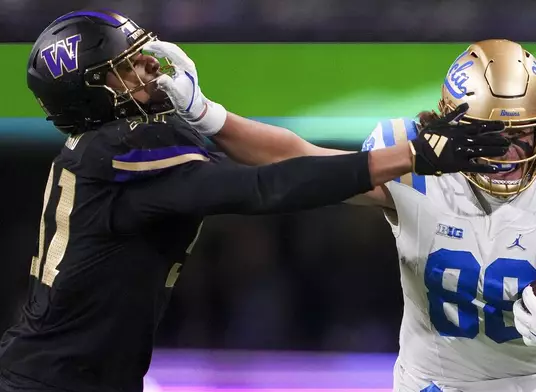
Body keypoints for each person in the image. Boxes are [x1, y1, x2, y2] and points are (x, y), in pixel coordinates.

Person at [0, 10, 509, 392]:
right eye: (125, 69)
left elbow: (279, 160)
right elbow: (266, 187)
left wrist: (202, 111)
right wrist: (412, 156)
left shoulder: (102, 148)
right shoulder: (126, 148)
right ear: (91, 92)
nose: (146, 73)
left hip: (63, 373)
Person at [151, 38, 536, 391]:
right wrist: (206, 113)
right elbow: (296, 160)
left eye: (525, 134)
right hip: (431, 383)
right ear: (452, 123)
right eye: (490, 136)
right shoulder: (413, 161)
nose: (510, 152)